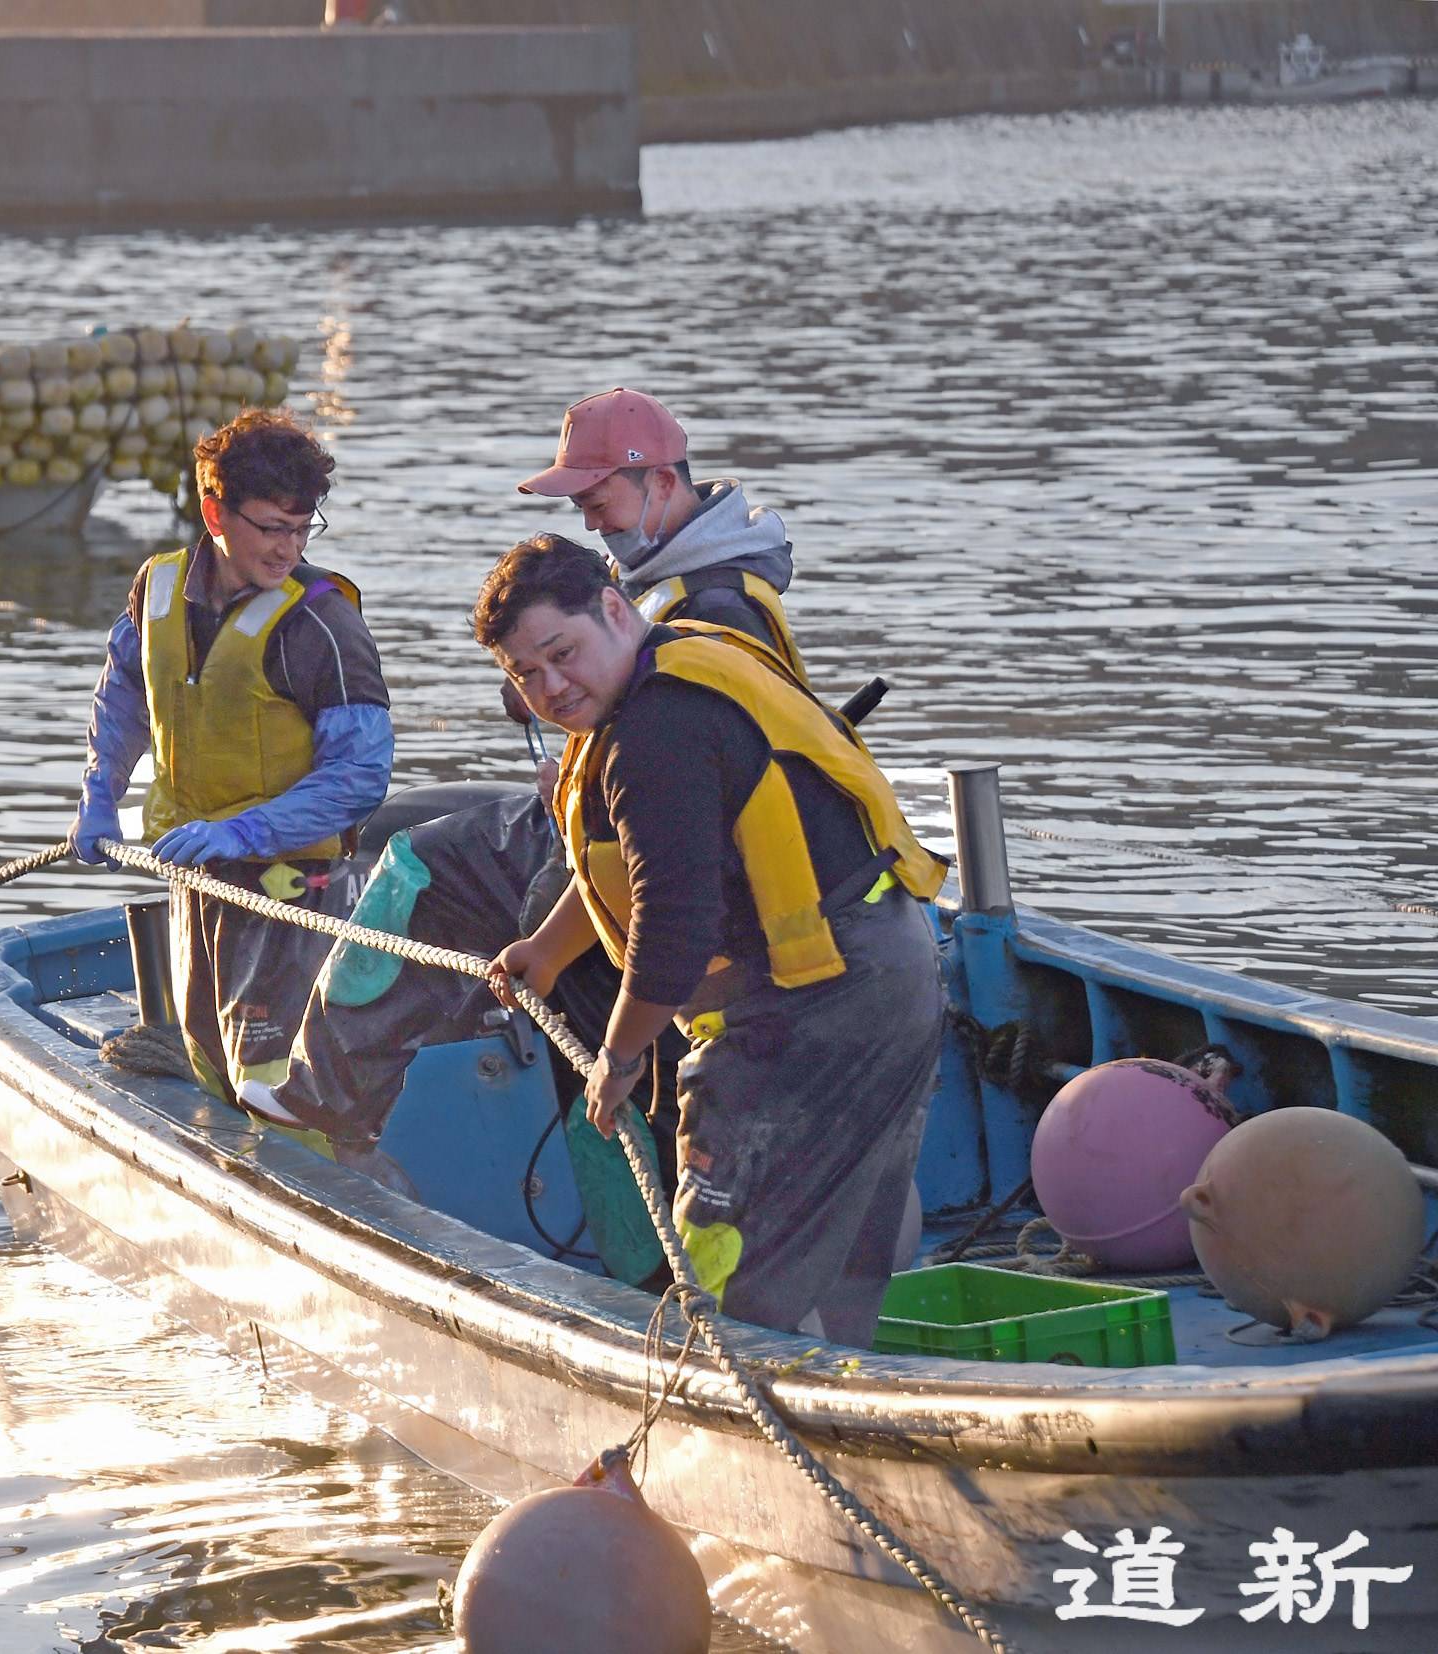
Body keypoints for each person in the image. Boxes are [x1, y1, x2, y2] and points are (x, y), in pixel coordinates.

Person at [256, 390, 810, 1278]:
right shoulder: (684, 573)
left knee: (424, 868)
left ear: (660, 480)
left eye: (599, 501)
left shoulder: (715, 603)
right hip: (620, 822)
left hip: (666, 860)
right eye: (580, 506)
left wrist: (592, 788)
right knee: (491, 899)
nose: (589, 519)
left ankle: (325, 1103)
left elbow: (681, 811)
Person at [479, 535, 945, 1345]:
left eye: (563, 654)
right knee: (847, 1244)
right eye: (526, 675)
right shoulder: (674, 659)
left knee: (722, 1266)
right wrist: (549, 951)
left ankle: (724, 1408)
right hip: (889, 963)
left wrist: (619, 1061)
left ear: (616, 610)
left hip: (817, 1005)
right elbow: (637, 869)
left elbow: (673, 930)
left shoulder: (657, 734)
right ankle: (842, 1397)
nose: (552, 687)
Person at [72, 409, 393, 1117]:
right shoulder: (156, 592)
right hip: (195, 873)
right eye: (271, 528)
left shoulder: (322, 625)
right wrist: (100, 793)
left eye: (303, 528)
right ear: (214, 511)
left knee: (273, 1079)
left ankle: (312, 1195)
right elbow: (125, 692)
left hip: (291, 890)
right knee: (205, 1060)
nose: (288, 548)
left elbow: (362, 775)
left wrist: (242, 832)